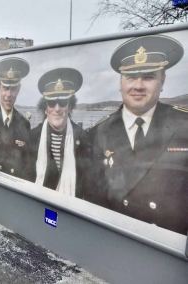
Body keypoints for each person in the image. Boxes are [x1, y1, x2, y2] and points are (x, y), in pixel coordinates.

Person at [86, 35, 188, 235]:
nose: (138, 85)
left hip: (171, 250)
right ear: (121, 82)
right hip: (116, 242)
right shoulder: (99, 132)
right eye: (131, 77)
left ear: (162, 80)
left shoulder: (184, 126)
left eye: (148, 76)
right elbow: (93, 199)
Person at [28, 68, 91, 197]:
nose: (57, 108)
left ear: (69, 106)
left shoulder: (84, 139)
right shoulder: (32, 137)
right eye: (51, 102)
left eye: (62, 102)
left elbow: (88, 183)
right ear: (45, 108)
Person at [0, 57, 31, 180]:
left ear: (18, 89)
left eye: (13, 89)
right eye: (5, 88)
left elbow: (25, 161)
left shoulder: (24, 123)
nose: (9, 94)